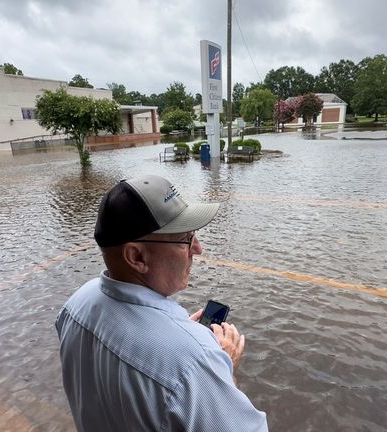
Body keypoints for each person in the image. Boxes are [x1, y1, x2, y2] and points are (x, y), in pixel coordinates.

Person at [55, 175, 268, 432]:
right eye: (186, 238)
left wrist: (176, 336)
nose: (198, 248)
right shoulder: (195, 362)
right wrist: (223, 370)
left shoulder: (75, 306)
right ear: (136, 256)